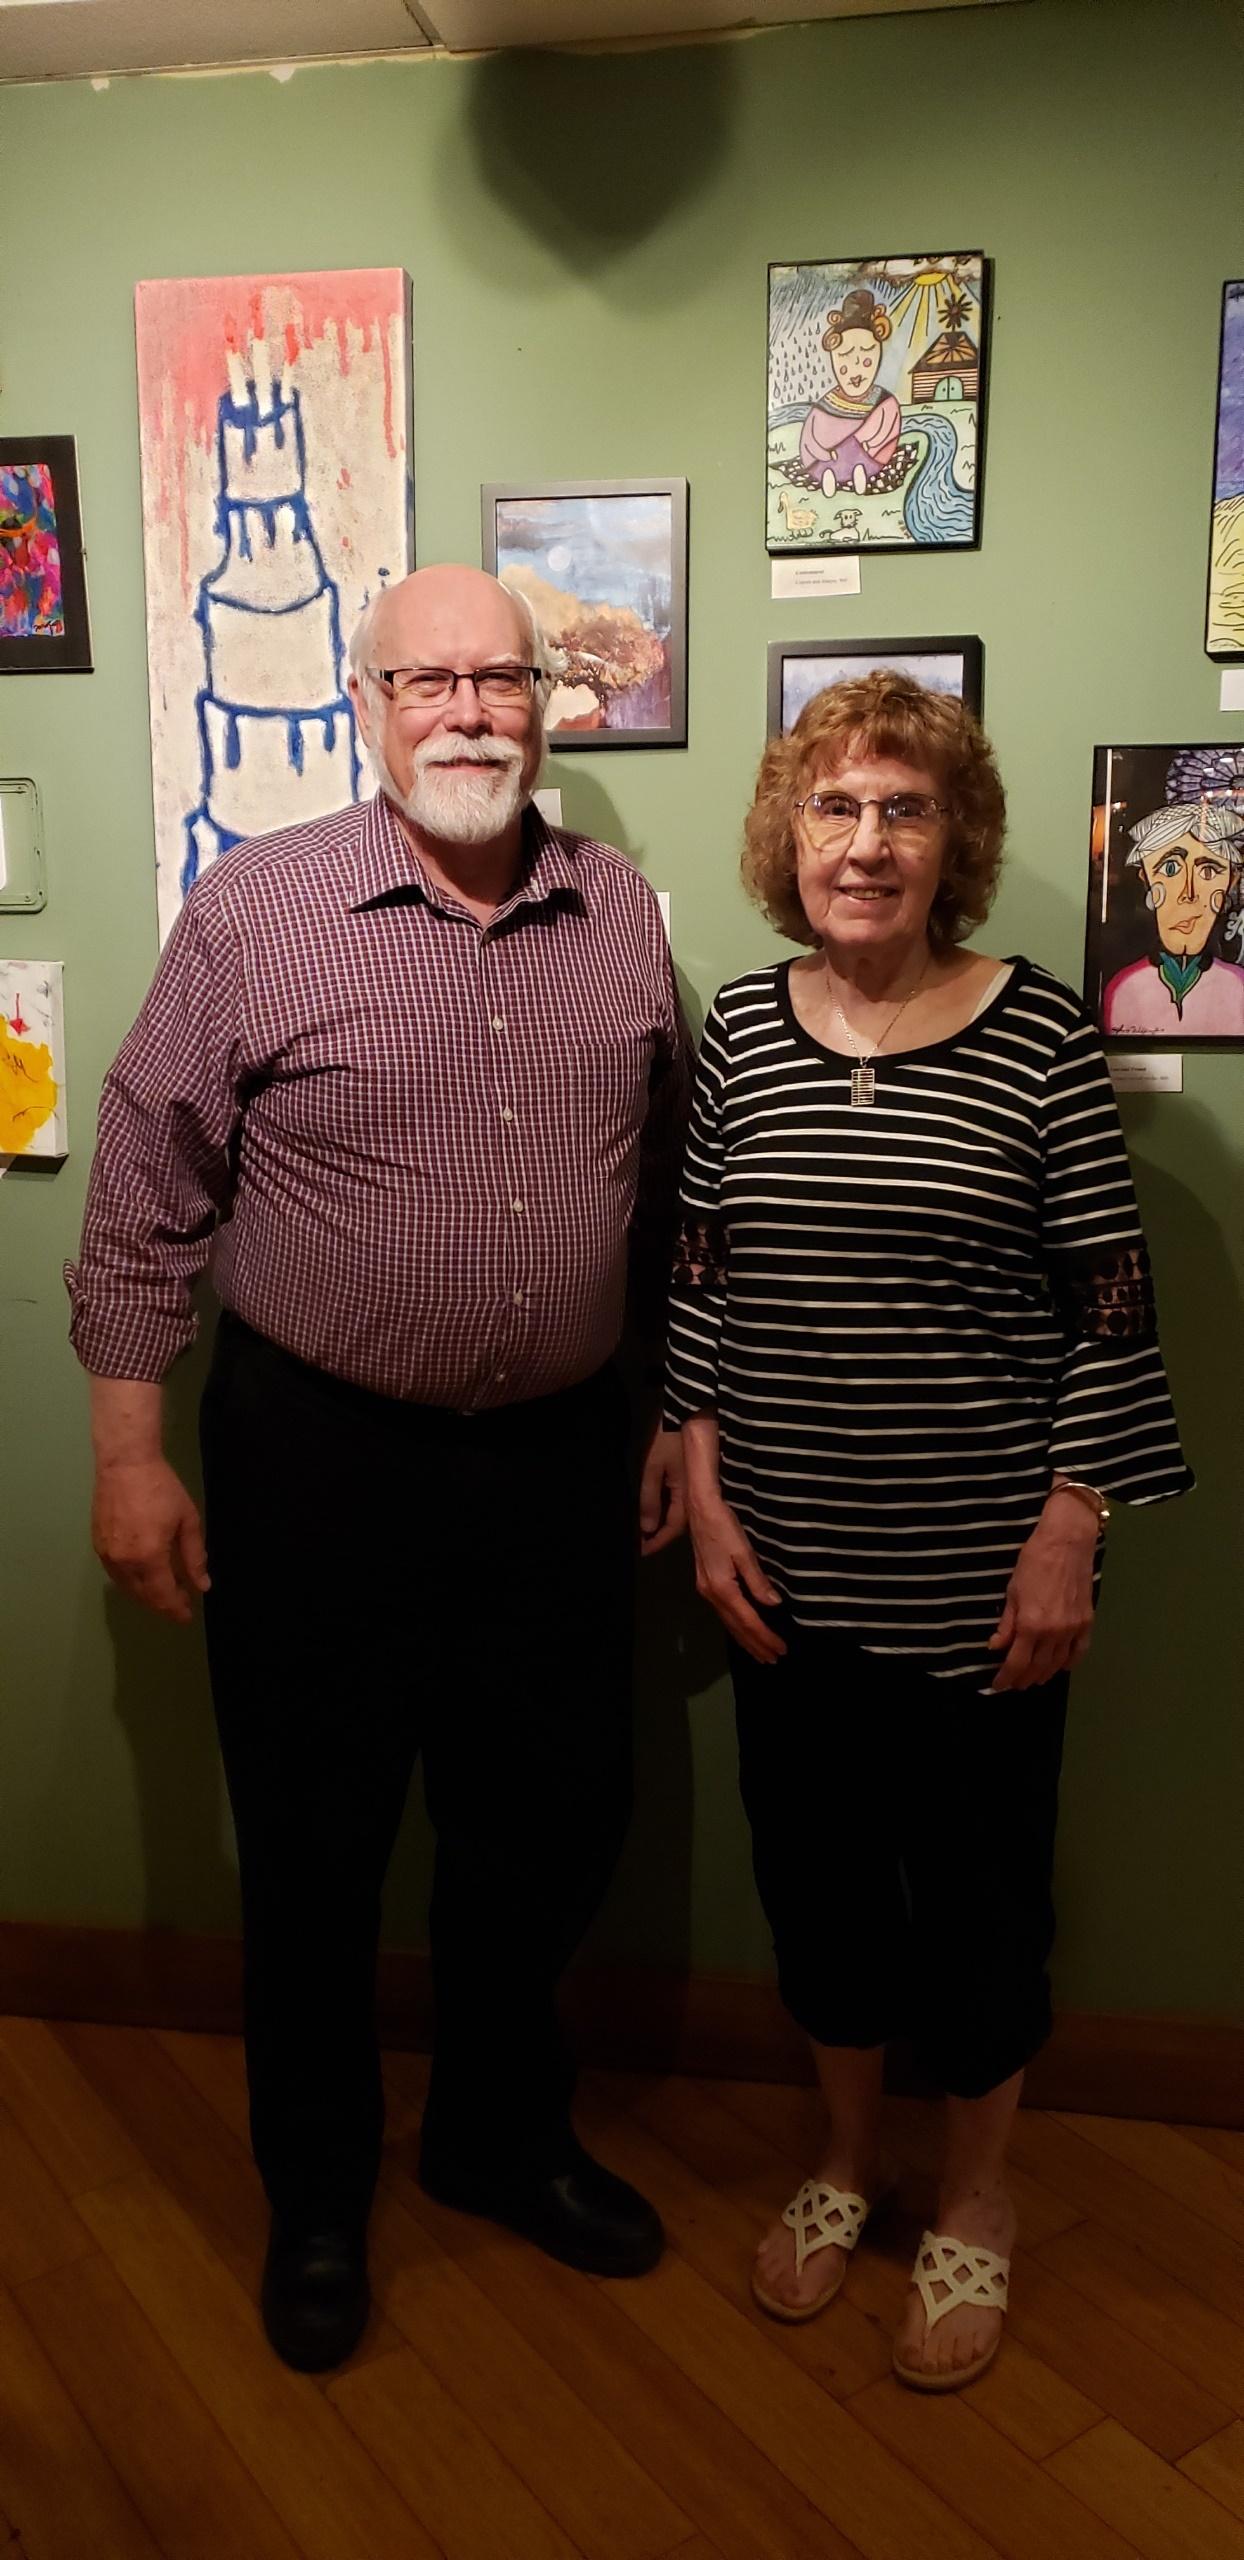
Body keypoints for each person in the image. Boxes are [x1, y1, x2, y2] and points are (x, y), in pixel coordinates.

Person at [68, 563, 693, 2372]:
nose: (469, 712)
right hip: (316, 1462)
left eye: (500, 679)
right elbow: (142, 1192)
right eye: (426, 680)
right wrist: (131, 1449)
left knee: (544, 1830)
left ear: (549, 703)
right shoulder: (258, 913)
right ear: (367, 702)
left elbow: (657, 1198)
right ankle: (319, 2192)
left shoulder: (621, 912)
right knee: (316, 1850)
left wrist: (661, 1406)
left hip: (558, 1469)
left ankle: (497, 2138)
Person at [665, 671, 1192, 2393]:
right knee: (816, 1895)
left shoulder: (1036, 1034)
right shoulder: (738, 1033)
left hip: (982, 1592)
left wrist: (1069, 1533)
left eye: (903, 809)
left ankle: (973, 2199)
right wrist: (701, 1490)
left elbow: (1107, 1308)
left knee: (977, 1916)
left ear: (952, 837)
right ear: (785, 834)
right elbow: (696, 1289)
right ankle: (841, 2164)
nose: (866, 842)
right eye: (834, 807)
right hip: (782, 1582)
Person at [1102, 795, 1244, 1035]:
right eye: (1170, 869)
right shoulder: (1123, 989)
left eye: (1208, 871)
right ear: (1146, 879)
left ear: (1231, 883)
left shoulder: (1239, 987)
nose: (1187, 893)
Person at [798, 288, 903, 497]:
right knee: (825, 461)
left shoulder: (884, 402)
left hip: (868, 459)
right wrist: (821, 451)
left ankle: (858, 472)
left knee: (857, 452)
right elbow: (810, 437)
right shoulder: (827, 402)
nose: (856, 368)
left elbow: (886, 432)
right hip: (826, 460)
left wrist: (863, 442)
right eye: (845, 357)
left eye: (866, 359)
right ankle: (829, 474)